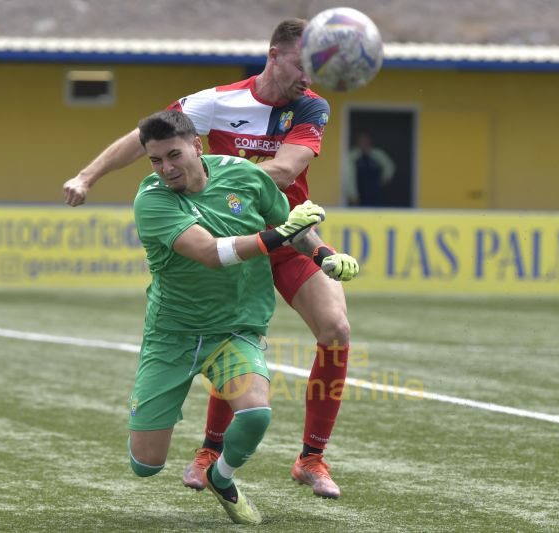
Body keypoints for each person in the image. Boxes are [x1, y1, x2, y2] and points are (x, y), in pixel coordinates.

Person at [63, 19, 358, 499]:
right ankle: (210, 451)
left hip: (287, 232)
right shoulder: (217, 101)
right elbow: (147, 138)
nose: (311, 76)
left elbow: (284, 171)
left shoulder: (311, 106)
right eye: (305, 63)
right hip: (234, 238)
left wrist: (311, 241)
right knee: (226, 330)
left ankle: (311, 458)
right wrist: (87, 175)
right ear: (274, 55)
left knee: (337, 329)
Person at [129, 110, 329, 525]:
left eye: (173, 155)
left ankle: (223, 477)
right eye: (155, 160)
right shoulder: (152, 200)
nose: (166, 168)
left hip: (234, 330)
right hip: (172, 337)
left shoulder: (243, 176)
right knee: (145, 465)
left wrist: (325, 255)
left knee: (256, 413)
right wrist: (281, 235)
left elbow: (291, 224)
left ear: (196, 146)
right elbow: (211, 253)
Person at [344, 131, 396, 207]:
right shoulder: (352, 157)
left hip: (376, 193)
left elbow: (390, 166)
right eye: (361, 141)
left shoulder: (377, 154)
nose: (363, 143)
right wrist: (353, 194)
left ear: (370, 141)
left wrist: (385, 178)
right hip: (360, 195)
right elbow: (349, 176)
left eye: (365, 140)